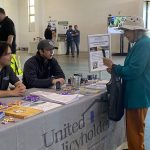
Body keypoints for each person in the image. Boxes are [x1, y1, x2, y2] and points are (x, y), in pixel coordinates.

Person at [103, 16, 150, 150]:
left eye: (126, 31)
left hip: (138, 96)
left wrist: (114, 67)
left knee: (135, 134)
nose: (125, 35)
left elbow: (134, 71)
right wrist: (115, 69)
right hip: (135, 95)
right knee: (134, 133)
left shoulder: (144, 44)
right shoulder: (140, 44)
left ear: (136, 31)